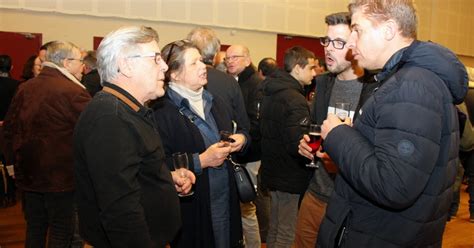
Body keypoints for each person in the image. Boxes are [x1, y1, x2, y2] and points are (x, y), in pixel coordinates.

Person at [316, 1, 468, 247]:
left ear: (388, 30)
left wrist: (338, 134)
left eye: (358, 30)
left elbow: (393, 185)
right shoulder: (407, 79)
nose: (352, 42)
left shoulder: (411, 85)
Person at [74, 26, 194, 248]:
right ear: (127, 65)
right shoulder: (110, 118)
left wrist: (166, 178)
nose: (165, 66)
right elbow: (120, 211)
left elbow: (128, 173)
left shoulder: (127, 110)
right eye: (156, 59)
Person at [295, 12, 379, 247]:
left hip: (350, 204)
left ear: (355, 45)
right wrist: (304, 145)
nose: (328, 49)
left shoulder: (376, 90)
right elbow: (315, 129)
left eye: (339, 43)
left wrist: (342, 160)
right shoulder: (321, 84)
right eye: (327, 41)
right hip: (314, 195)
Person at [152, 39, 246, 248]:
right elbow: (156, 165)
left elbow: (239, 131)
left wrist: (241, 139)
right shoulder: (160, 111)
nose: (204, 66)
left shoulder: (215, 102)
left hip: (224, 201)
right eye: (194, 63)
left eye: (202, 61)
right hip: (192, 207)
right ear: (174, 74)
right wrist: (201, 161)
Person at [3, 41, 91, 247]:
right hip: (61, 178)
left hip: (28, 174)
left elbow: (9, 129)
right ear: (67, 62)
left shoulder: (25, 87)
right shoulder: (73, 92)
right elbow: (92, 133)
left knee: (35, 227)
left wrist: (11, 166)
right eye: (80, 61)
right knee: (61, 231)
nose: (83, 67)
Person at [260, 46, 316, 247]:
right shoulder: (295, 99)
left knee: (275, 227)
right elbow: (297, 144)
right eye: (311, 68)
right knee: (286, 232)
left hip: (272, 170)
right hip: (289, 174)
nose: (314, 73)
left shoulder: (271, 91)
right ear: (298, 68)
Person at [225, 44, 263, 248]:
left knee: (247, 206)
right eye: (227, 58)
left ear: (247, 60)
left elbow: (255, 125)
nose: (230, 61)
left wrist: (241, 138)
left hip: (250, 154)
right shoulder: (234, 82)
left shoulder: (255, 84)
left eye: (235, 57)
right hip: (238, 152)